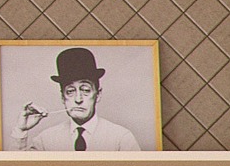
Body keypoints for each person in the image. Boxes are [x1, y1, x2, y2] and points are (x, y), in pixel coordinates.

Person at [14, 45, 142, 151]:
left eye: (85, 90)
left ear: (98, 95)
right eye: (70, 91)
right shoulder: (45, 141)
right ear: (62, 98)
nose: (78, 99)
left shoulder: (121, 138)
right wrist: (20, 130)